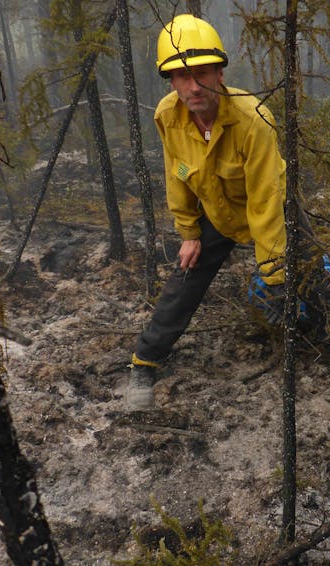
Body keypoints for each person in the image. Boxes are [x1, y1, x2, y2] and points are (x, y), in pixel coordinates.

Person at [125, 14, 287, 410]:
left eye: (201, 74)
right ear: (171, 80)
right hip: (216, 214)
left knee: (300, 281)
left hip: (261, 213)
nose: (192, 86)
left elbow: (266, 198)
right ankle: (145, 361)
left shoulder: (253, 120)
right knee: (184, 279)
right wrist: (189, 232)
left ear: (219, 73)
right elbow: (177, 171)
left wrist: (274, 269)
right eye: (181, 77)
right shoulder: (168, 115)